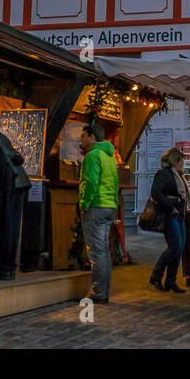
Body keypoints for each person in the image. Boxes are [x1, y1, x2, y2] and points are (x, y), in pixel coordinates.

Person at [78, 121, 119, 303]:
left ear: (92, 137)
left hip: (95, 206)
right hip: (109, 206)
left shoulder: (93, 156)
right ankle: (103, 291)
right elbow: (115, 183)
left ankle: (98, 292)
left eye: (83, 136)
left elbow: (90, 182)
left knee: (96, 252)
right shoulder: (109, 157)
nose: (81, 139)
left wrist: (84, 203)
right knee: (102, 251)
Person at [0, 126, 31, 281]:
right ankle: (8, 267)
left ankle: (4, 267)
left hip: (8, 183)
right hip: (18, 181)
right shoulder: (0, 136)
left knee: (6, 226)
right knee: (11, 227)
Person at [148, 148, 188, 293]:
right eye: (181, 160)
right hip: (170, 214)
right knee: (174, 248)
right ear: (175, 160)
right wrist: (170, 207)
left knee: (179, 249)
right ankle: (156, 275)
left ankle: (171, 281)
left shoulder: (177, 174)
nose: (183, 163)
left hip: (179, 213)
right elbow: (156, 192)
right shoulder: (164, 174)